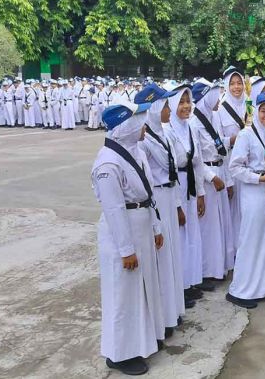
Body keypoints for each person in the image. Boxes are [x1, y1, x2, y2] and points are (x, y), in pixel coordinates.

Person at [91, 101, 165, 376]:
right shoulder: (107, 164)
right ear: (126, 127)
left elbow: (149, 193)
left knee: (141, 290)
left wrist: (156, 227)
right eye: (139, 122)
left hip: (141, 225)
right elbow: (113, 209)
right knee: (122, 295)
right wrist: (125, 250)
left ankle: (140, 342)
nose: (144, 126)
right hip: (123, 234)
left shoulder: (133, 151)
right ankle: (119, 354)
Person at [136, 83, 191, 338]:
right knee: (159, 259)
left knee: (171, 255)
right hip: (157, 197)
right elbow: (147, 178)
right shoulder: (144, 140)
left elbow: (176, 167)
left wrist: (179, 204)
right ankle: (162, 318)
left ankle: (172, 312)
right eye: (166, 106)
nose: (169, 110)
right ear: (156, 108)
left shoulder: (166, 133)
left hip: (170, 195)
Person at [226, 91, 265, 309]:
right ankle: (242, 290)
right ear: (256, 111)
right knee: (251, 238)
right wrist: (259, 178)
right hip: (255, 191)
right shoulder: (246, 135)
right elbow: (234, 167)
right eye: (264, 111)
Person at [163, 85, 208, 304]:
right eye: (181, 102)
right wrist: (177, 205)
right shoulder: (167, 130)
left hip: (190, 184)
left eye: (188, 101)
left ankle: (190, 282)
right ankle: (178, 286)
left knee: (192, 235)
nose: (186, 106)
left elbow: (197, 162)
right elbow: (169, 172)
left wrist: (200, 193)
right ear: (171, 104)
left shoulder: (190, 127)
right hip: (177, 187)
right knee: (179, 237)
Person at [190, 78, 231, 286]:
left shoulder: (214, 116)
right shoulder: (194, 122)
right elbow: (196, 158)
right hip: (207, 177)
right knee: (207, 227)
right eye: (216, 95)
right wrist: (211, 177)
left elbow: (218, 144)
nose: (219, 99)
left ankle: (219, 267)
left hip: (220, 169)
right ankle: (206, 272)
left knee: (220, 225)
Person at [216, 66, 247, 262]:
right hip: (230, 162)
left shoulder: (250, 105)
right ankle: (234, 250)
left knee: (247, 207)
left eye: (239, 83)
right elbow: (218, 141)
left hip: (250, 163)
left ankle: (246, 247)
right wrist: (232, 140)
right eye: (232, 83)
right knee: (233, 208)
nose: (237, 87)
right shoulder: (220, 109)